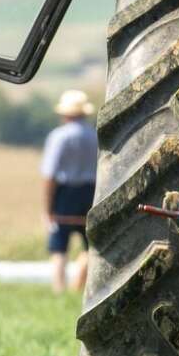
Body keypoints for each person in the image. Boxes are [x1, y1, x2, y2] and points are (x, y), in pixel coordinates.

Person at [42, 89, 99, 296]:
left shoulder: (59, 137)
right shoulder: (95, 136)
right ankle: (78, 287)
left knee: (59, 249)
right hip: (91, 192)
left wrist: (47, 207)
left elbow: (50, 173)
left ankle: (59, 291)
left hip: (64, 193)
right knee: (90, 245)